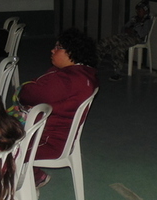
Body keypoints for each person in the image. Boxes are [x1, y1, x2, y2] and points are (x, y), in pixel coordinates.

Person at [17, 28, 99, 187]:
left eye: (58, 47)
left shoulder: (67, 80)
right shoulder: (85, 74)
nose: (52, 50)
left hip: (47, 141)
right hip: (54, 135)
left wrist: (24, 88)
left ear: (71, 52)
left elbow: (27, 94)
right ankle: (34, 176)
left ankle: (18, 187)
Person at [96, 0, 153, 81]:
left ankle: (117, 72)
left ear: (145, 11)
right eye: (137, 10)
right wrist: (127, 29)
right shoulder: (134, 18)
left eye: (140, 10)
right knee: (105, 42)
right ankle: (95, 64)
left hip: (135, 38)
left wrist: (134, 29)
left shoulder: (147, 21)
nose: (138, 12)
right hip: (125, 35)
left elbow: (142, 33)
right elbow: (124, 28)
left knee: (119, 48)